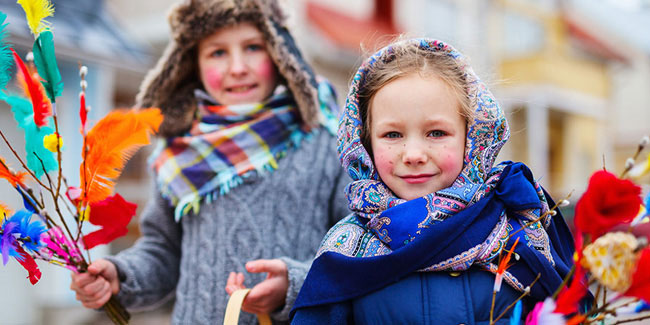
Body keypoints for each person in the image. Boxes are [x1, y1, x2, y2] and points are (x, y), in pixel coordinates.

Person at [69, 0, 349, 323]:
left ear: (279, 52)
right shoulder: (179, 155)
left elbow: (352, 251)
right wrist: (121, 274)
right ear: (193, 64)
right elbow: (163, 251)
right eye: (218, 52)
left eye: (253, 47)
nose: (237, 67)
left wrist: (295, 283)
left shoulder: (324, 143)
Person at [291, 38, 579, 324]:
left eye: (436, 133)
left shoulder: (518, 233)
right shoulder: (344, 251)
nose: (414, 154)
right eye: (393, 135)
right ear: (365, 144)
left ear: (472, 138)